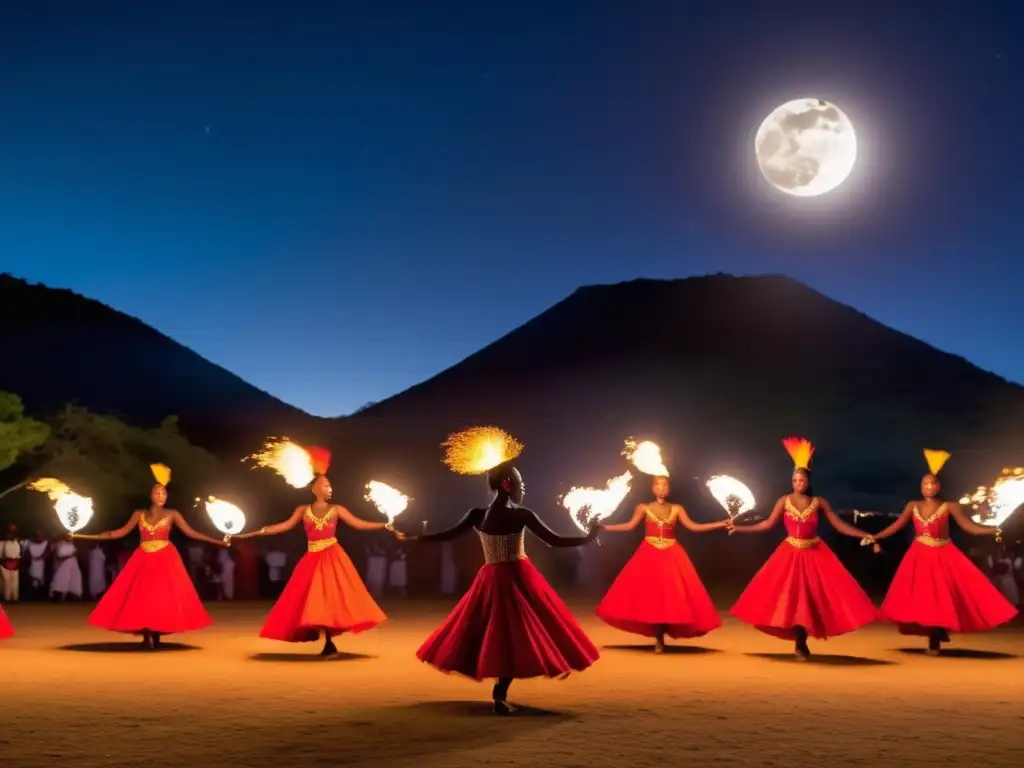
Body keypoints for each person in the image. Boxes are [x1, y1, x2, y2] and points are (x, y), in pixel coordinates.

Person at [410, 427, 601, 715]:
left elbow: (446, 535)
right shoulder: (520, 515)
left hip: (489, 577)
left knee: (494, 633)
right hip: (516, 577)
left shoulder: (478, 514)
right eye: (520, 482)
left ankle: (499, 693)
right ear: (509, 485)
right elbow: (555, 541)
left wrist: (418, 536)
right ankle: (499, 693)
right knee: (514, 635)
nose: (524, 487)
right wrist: (588, 536)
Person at [235, 447, 395, 656]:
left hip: (333, 556)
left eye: (330, 485)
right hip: (312, 558)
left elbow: (359, 524)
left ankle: (329, 641)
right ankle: (328, 641)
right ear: (315, 488)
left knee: (330, 598)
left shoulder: (337, 509)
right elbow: (283, 526)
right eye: (326, 485)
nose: (330, 488)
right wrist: (253, 533)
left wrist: (385, 525)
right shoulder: (302, 510)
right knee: (315, 599)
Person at [730, 437, 880, 660]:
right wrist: (739, 528)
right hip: (789, 554)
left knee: (811, 600)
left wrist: (864, 534)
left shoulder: (819, 502)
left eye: (801, 480)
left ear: (808, 483)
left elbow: (838, 524)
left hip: (814, 553)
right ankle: (799, 642)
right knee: (790, 599)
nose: (797, 483)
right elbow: (766, 524)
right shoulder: (784, 501)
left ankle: (801, 642)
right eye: (794, 480)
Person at [872, 450, 1017, 654]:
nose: (929, 487)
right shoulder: (912, 505)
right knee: (924, 598)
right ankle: (935, 633)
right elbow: (896, 526)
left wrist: (991, 530)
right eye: (925, 484)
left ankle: (936, 634)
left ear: (940, 487)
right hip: (919, 556)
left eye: (933, 483)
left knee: (941, 598)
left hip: (943, 554)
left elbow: (969, 526)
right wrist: (876, 536)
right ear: (920, 487)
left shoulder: (950, 506)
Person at [73, 464, 226, 649]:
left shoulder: (172, 514)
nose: (161, 496)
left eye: (164, 493)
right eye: (157, 493)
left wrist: (217, 541)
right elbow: (118, 533)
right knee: (142, 596)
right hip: (143, 557)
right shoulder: (139, 514)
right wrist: (84, 535)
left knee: (161, 596)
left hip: (165, 558)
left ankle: (157, 631)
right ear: (150, 496)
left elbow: (191, 533)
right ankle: (147, 633)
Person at [597, 474, 731, 652]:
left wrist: (721, 524)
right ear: (653, 488)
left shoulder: (677, 508)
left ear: (669, 489)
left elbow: (693, 527)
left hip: (672, 554)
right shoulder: (643, 507)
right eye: (658, 485)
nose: (662, 488)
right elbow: (629, 526)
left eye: (665, 486)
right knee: (653, 596)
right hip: (649, 554)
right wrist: (604, 527)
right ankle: (658, 637)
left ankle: (661, 636)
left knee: (671, 596)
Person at [49, 537, 83, 601]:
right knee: (60, 581)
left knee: (74, 581)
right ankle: (57, 597)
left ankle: (72, 597)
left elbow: (76, 554)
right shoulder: (61, 544)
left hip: (73, 566)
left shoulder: (72, 545)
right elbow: (59, 557)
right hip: (63, 566)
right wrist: (71, 555)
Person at [1, 524, 21, 602]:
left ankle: (15, 598)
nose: (11, 534)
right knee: (7, 581)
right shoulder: (3, 543)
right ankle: (7, 598)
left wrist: (17, 562)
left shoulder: (17, 543)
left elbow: (19, 555)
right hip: (5, 563)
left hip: (15, 563)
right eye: (10, 533)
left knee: (15, 581)